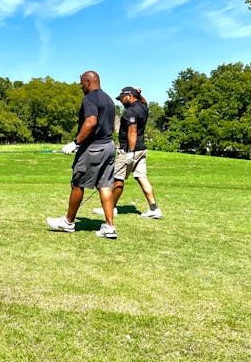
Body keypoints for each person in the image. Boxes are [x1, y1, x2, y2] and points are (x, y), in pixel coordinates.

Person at [46, 70, 117, 238]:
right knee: (104, 186)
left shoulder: (90, 98)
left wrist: (75, 143)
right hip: (108, 146)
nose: (81, 87)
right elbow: (110, 125)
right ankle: (109, 226)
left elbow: (91, 122)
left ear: (88, 81)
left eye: (81, 84)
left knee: (77, 183)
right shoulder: (109, 99)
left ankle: (68, 223)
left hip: (93, 148)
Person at [93, 86, 163, 219]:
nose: (121, 101)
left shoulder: (130, 112)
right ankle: (154, 208)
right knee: (141, 177)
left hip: (129, 150)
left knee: (117, 179)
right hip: (141, 149)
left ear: (129, 96)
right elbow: (144, 102)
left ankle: (111, 207)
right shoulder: (143, 107)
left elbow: (132, 132)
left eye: (122, 98)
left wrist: (130, 152)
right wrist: (140, 94)